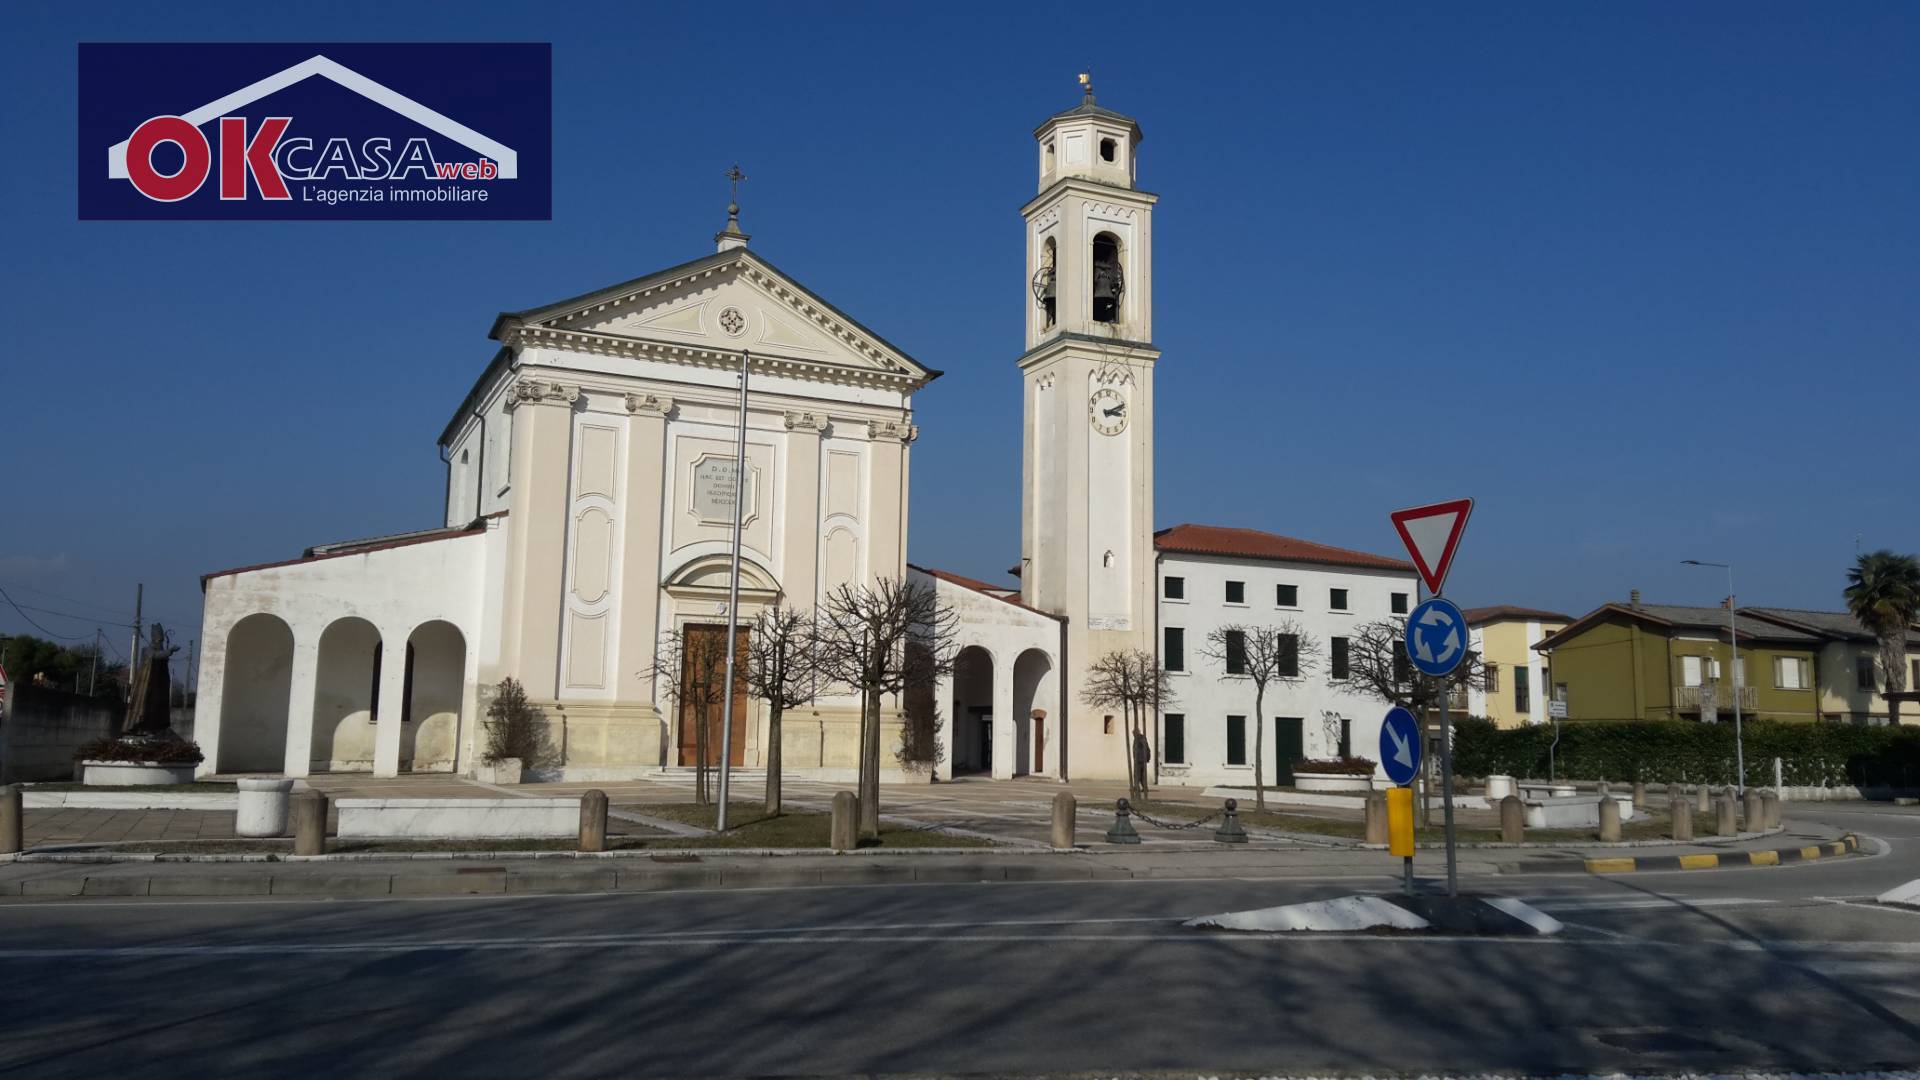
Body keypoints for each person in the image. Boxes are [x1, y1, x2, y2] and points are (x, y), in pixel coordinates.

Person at [1132, 729, 1151, 800]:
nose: (1133, 735)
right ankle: (1142, 787)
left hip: (1140, 759)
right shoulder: (1140, 738)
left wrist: (1146, 757)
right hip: (1141, 759)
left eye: (1133, 733)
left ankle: (1138, 787)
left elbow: (1146, 748)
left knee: (1138, 774)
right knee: (1141, 775)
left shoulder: (1140, 738)